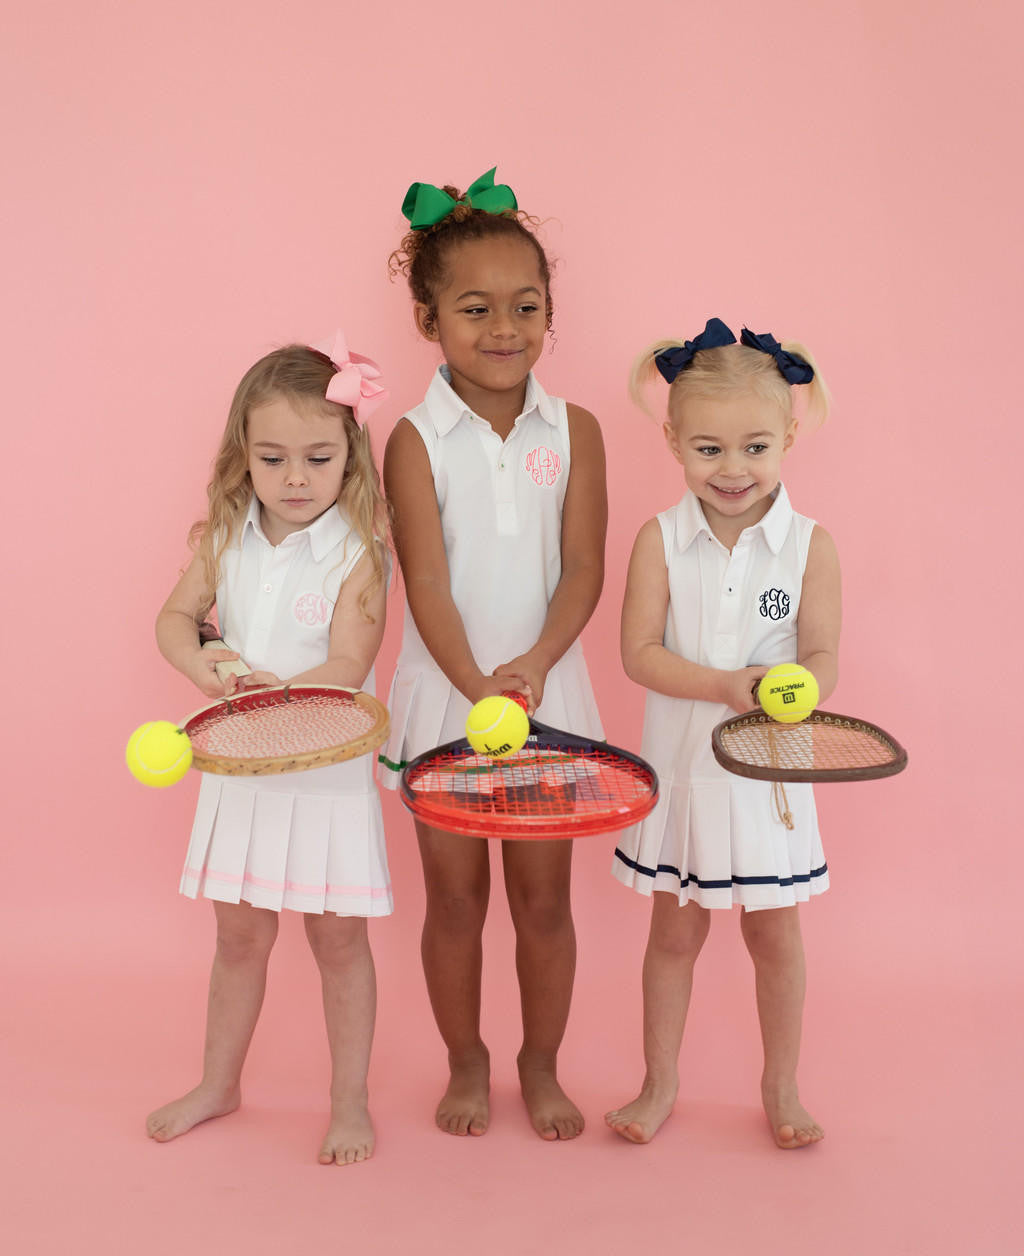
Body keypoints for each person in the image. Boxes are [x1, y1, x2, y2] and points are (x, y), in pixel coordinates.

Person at [380, 168, 606, 1140]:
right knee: (457, 899)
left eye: (526, 306)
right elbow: (426, 583)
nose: (504, 326)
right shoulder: (412, 438)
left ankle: (538, 1061)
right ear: (429, 317)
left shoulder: (577, 429)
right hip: (448, 697)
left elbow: (584, 566)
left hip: (548, 694)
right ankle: (466, 1056)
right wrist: (477, 685)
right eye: (475, 308)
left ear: (551, 311)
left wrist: (537, 664)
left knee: (545, 901)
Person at [146, 337, 392, 1165]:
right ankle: (220, 1082)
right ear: (241, 457)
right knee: (240, 941)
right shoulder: (225, 537)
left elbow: (349, 666)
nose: (295, 478)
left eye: (318, 458)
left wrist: (276, 696)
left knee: (338, 945)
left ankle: (350, 1103)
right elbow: (174, 621)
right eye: (273, 457)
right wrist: (207, 664)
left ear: (349, 455)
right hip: (241, 775)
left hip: (325, 778)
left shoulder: (361, 553)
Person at [607, 318, 839, 1149]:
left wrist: (797, 691)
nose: (732, 470)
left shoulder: (810, 546)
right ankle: (658, 1083)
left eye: (754, 448)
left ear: (789, 436)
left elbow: (821, 658)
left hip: (771, 781)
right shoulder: (659, 540)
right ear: (671, 440)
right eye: (707, 449)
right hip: (682, 776)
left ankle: (782, 1088)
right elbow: (637, 654)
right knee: (673, 933)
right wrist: (721, 686)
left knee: (774, 935)